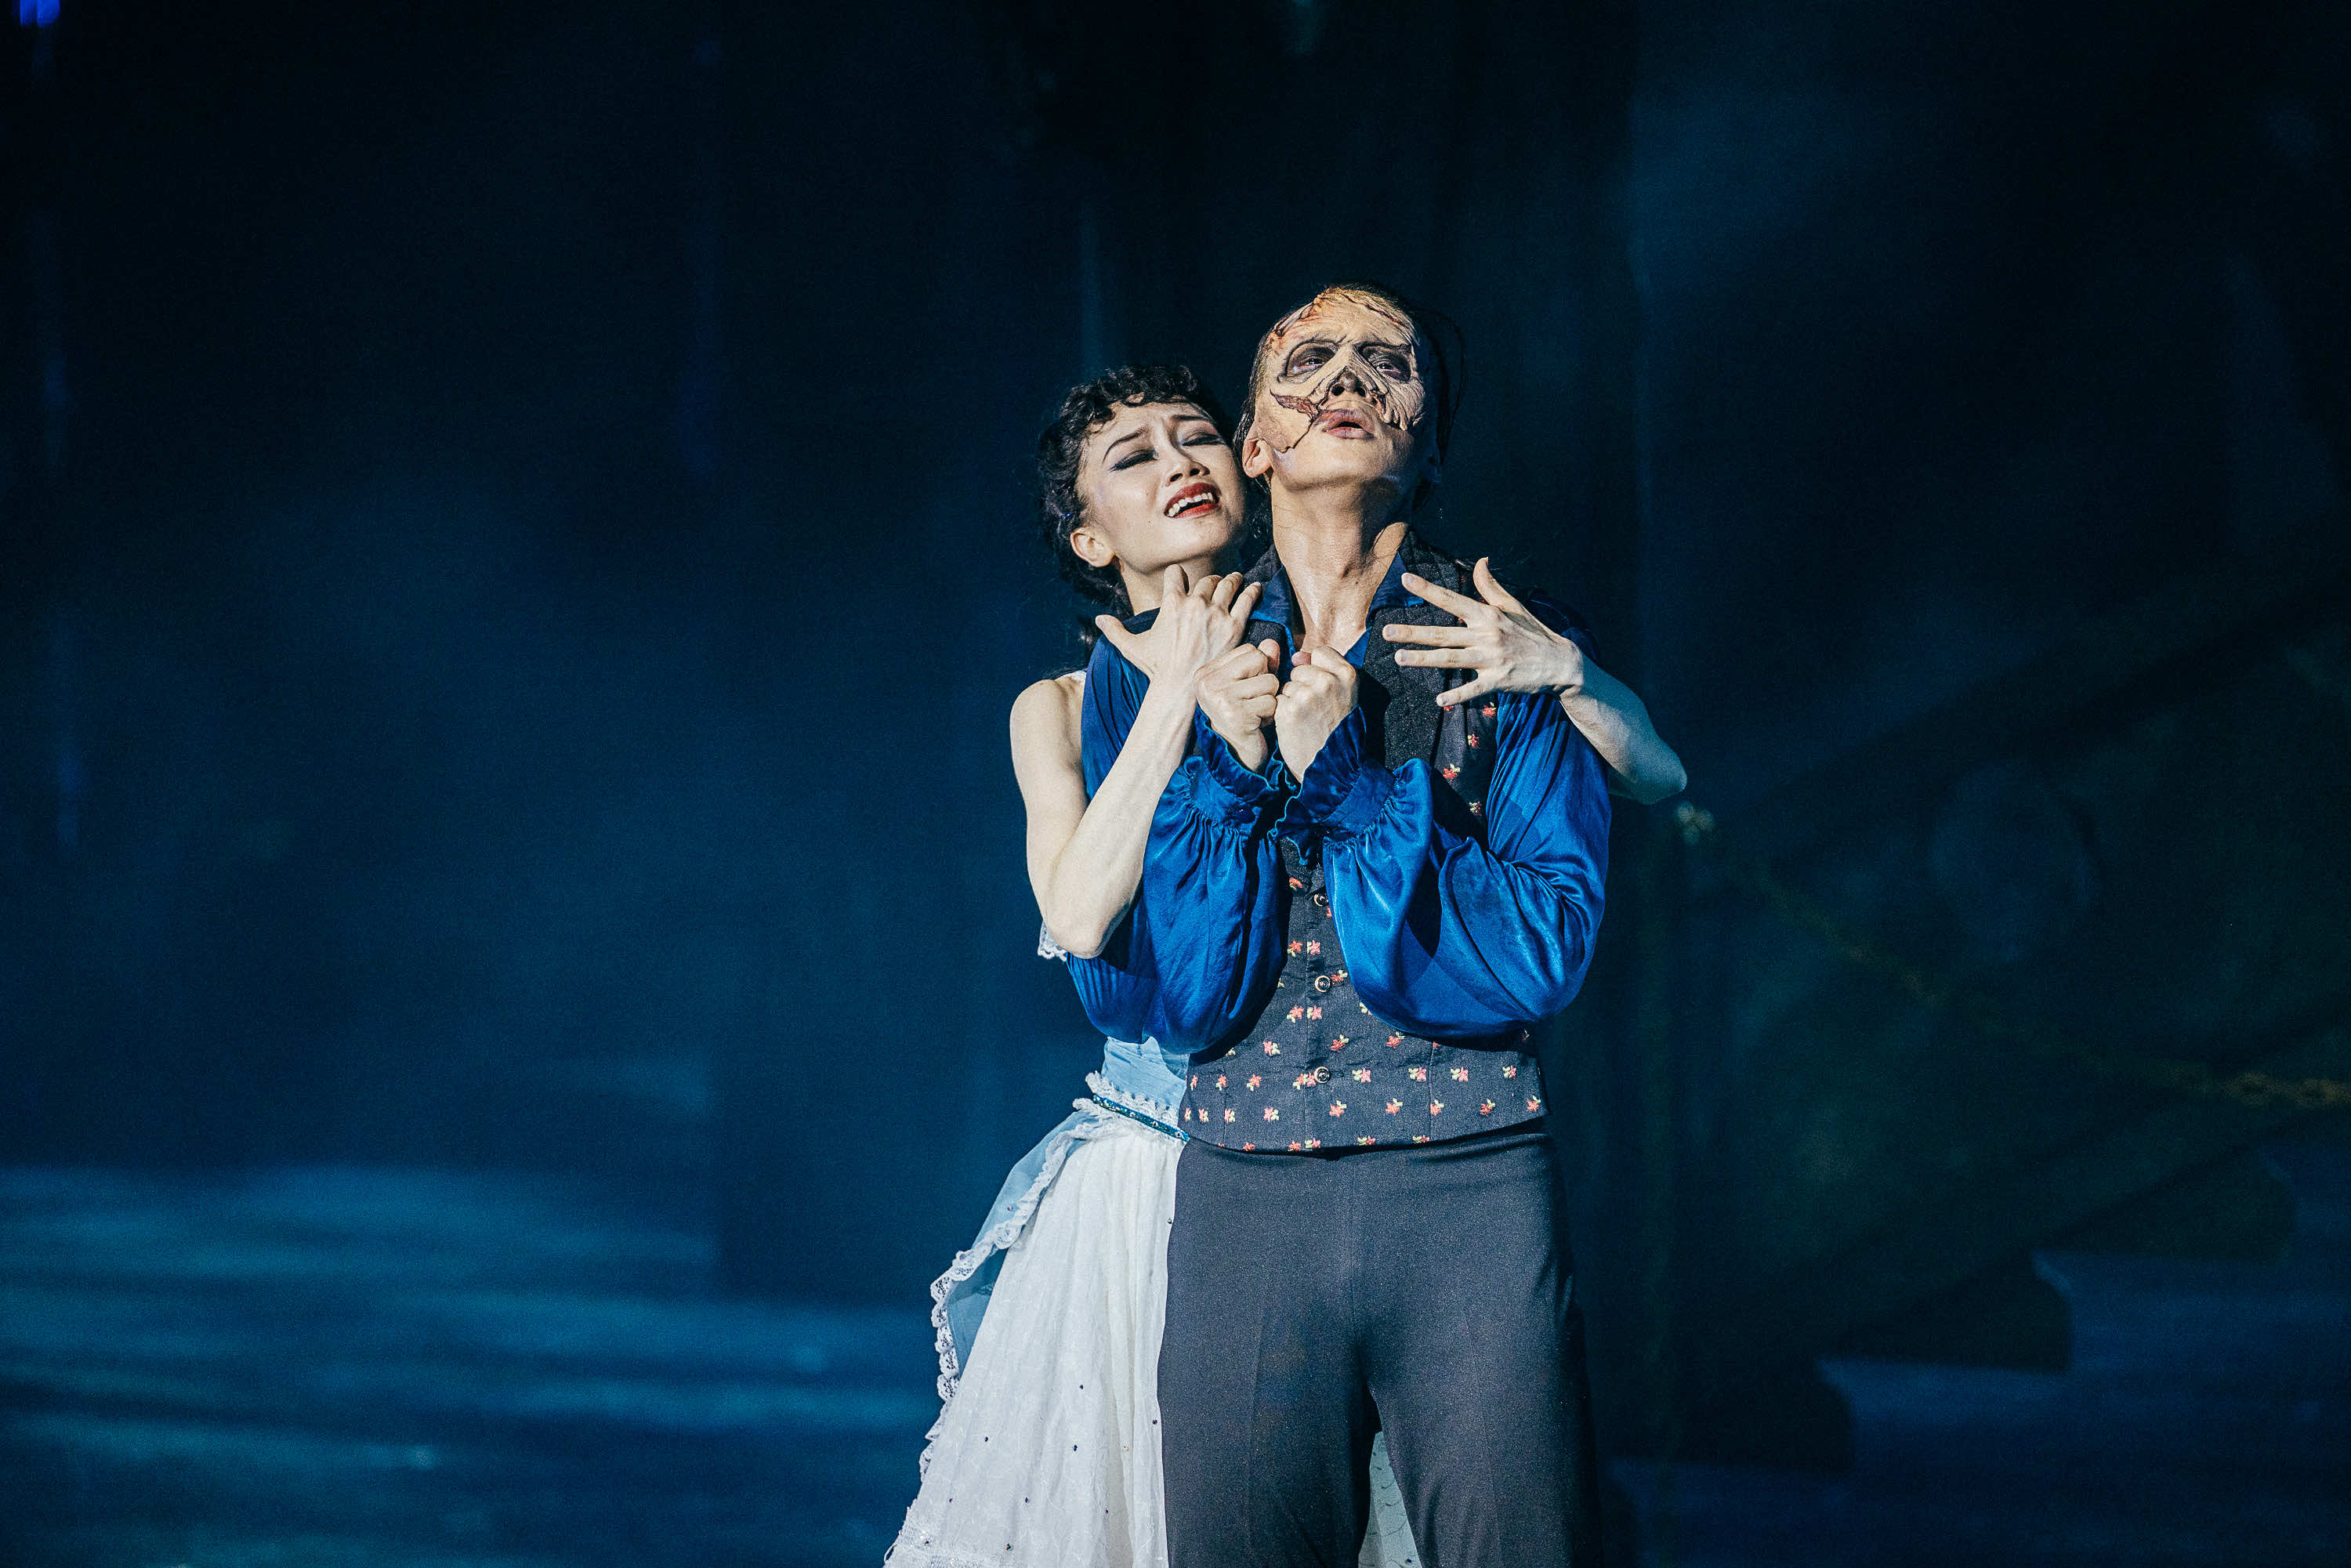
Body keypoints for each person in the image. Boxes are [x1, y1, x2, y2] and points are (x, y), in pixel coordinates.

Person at [890, 346, 1679, 1566]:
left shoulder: (1344, 640)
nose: (1180, 463)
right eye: (1134, 456)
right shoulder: (1062, 702)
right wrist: (1175, 696)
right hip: (1161, 1163)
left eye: (1194, 436)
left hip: (1369, 1155)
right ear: (1089, 537)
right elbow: (1082, 921)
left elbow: (1653, 774)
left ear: (1251, 460)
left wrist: (1568, 672)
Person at [1144, 283, 1618, 1567]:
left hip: (1466, 1182)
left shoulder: (1504, 645)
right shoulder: (1180, 656)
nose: (1347, 378)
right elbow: (1171, 996)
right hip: (1245, 1191)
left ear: (1430, 439)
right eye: (1309, 357)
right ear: (1254, 443)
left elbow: (1547, 945)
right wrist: (1234, 761)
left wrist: (1350, 783)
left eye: (1386, 361)